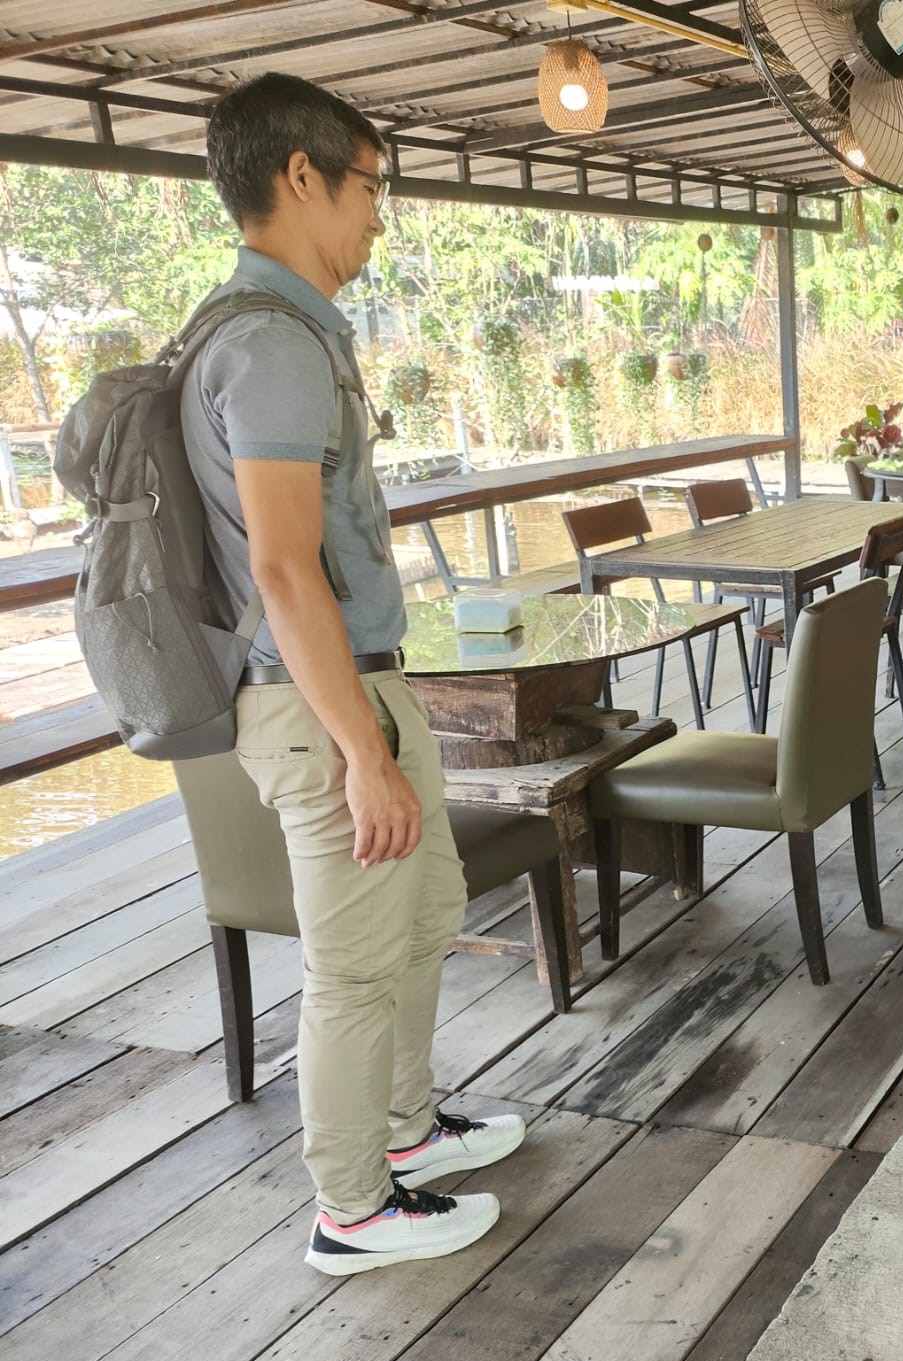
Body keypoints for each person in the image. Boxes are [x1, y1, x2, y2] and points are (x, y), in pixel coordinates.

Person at [189, 74, 521, 1275]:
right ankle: (352, 1206)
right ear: (300, 179)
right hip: (320, 702)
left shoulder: (284, 335)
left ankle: (404, 1132)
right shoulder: (271, 346)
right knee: (352, 962)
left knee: (424, 912)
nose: (381, 214)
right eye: (370, 184)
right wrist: (362, 751)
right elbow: (283, 570)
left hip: (359, 685)